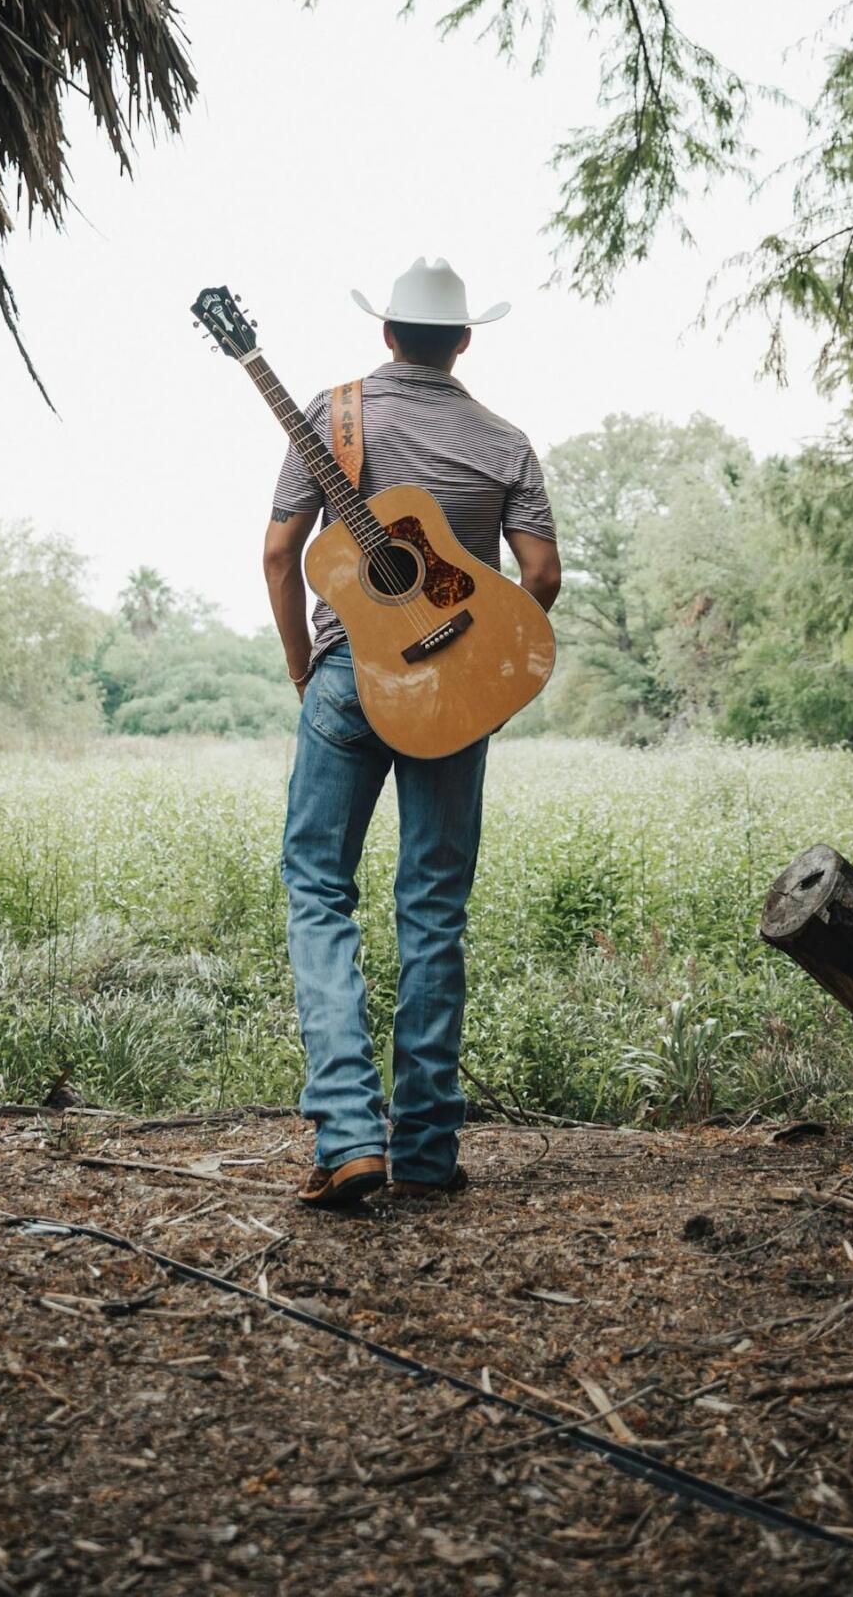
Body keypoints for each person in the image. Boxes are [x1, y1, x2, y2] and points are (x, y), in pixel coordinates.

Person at [263, 257, 563, 1209]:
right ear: (464, 340)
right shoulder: (505, 441)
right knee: (434, 908)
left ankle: (349, 1137)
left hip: (352, 675)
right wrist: (477, 653)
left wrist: (302, 664)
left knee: (318, 888)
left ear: (386, 334)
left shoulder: (335, 411)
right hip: (456, 683)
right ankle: (428, 1149)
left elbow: (280, 551)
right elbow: (542, 576)